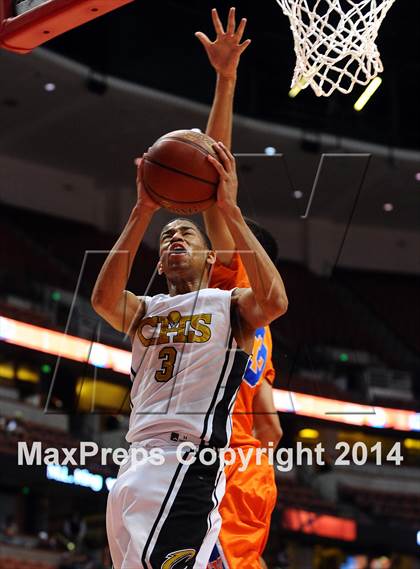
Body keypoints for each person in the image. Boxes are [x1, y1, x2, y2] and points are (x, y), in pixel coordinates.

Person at [91, 138, 288, 567]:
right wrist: (142, 211)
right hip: (134, 462)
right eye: (167, 236)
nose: (176, 235)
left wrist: (231, 211)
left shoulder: (231, 305)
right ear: (159, 263)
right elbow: (104, 300)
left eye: (186, 233)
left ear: (211, 257)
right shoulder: (145, 309)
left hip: (188, 463)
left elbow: (274, 302)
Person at [195, 8, 283, 569]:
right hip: (256, 475)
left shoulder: (235, 282)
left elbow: (213, 181)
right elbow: (271, 424)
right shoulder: (266, 322)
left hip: (222, 468)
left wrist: (225, 79)